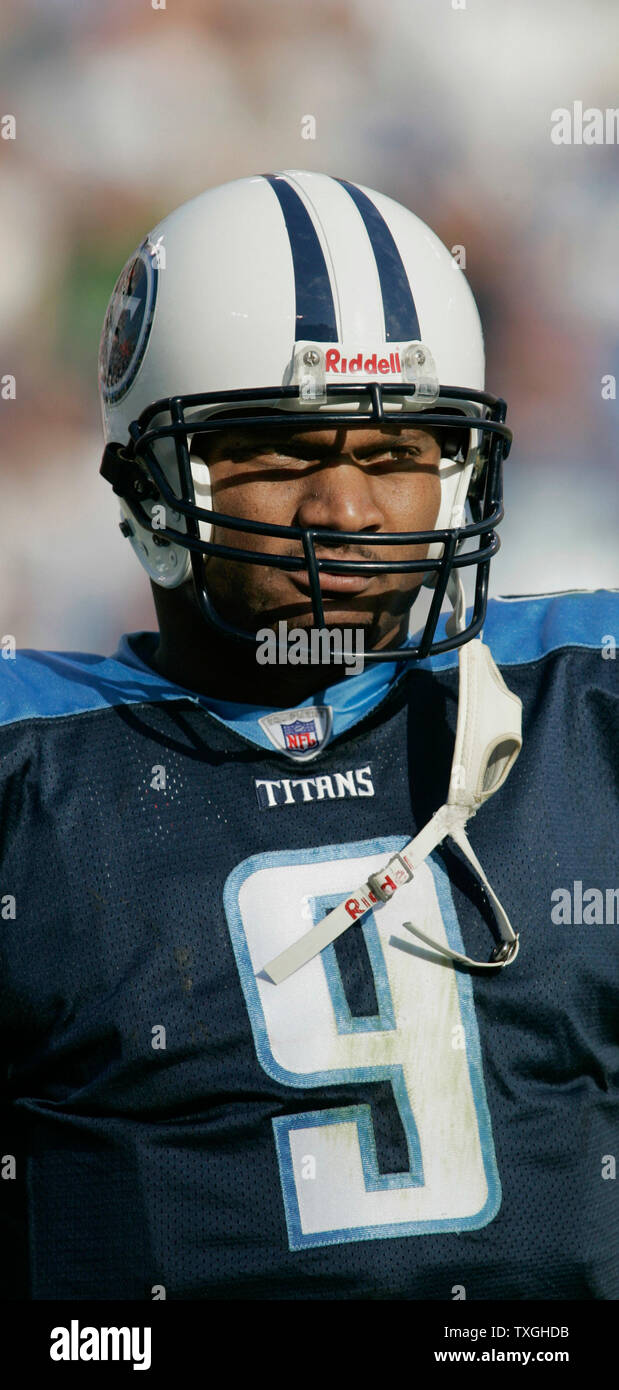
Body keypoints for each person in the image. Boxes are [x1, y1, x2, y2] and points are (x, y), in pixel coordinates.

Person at [1, 171, 616, 1301]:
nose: (345, 509)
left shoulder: (584, 703)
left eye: (394, 458)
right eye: (283, 454)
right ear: (148, 477)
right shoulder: (33, 772)